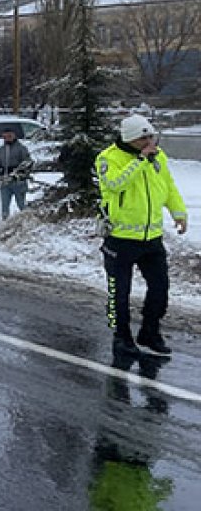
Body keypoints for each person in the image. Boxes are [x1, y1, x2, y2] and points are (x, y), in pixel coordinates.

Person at [96, 114, 187, 358]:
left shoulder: (159, 157)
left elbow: (168, 187)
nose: (150, 141)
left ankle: (150, 332)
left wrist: (179, 213)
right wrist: (140, 160)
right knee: (119, 293)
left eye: (151, 136)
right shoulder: (108, 158)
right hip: (120, 239)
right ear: (130, 139)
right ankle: (121, 337)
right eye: (143, 138)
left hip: (151, 238)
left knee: (160, 288)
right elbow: (115, 184)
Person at [0, 127, 33, 219]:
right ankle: (5, 221)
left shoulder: (21, 149)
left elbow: (27, 163)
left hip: (18, 182)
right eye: (5, 137)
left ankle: (26, 220)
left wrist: (20, 174)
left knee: (21, 204)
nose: (7, 138)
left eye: (9, 136)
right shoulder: (1, 150)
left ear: (14, 136)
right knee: (4, 205)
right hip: (5, 182)